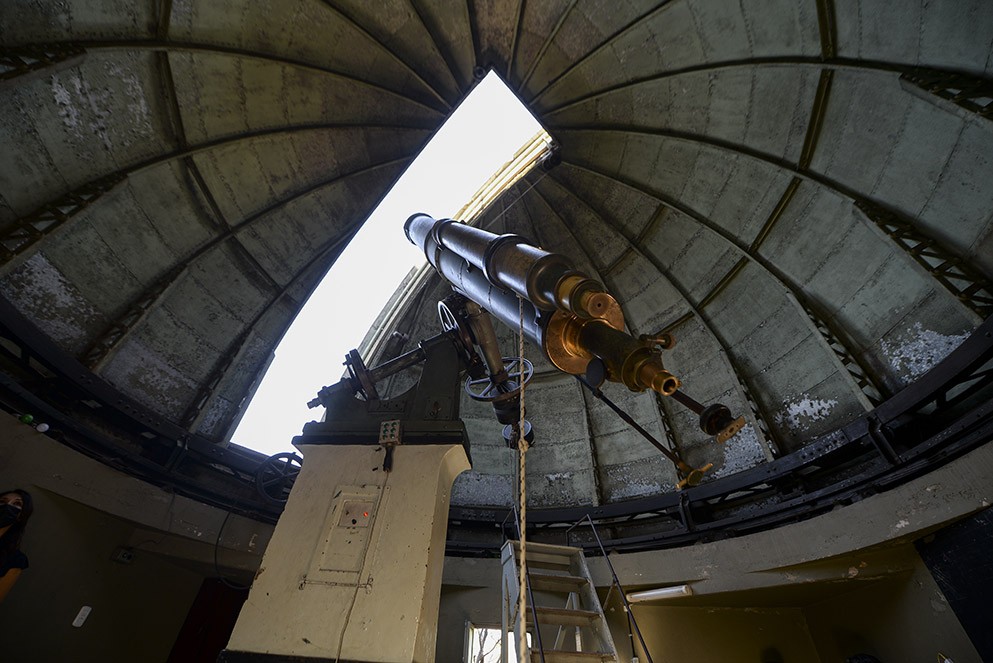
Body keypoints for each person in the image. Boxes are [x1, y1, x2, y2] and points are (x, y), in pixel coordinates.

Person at [0, 489, 32, 602]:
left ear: (21, 516)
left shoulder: (15, 560)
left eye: (17, 504)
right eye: (3, 501)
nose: (8, 506)